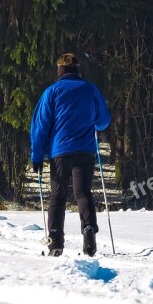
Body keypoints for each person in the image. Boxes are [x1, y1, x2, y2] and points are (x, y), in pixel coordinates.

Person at [30, 53, 111, 257]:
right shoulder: (90, 89)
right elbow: (103, 120)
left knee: (58, 196)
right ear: (77, 70)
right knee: (83, 193)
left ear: (59, 70)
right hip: (85, 150)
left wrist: (37, 156)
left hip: (60, 152)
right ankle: (89, 228)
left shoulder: (52, 92)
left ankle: (56, 241)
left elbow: (41, 126)